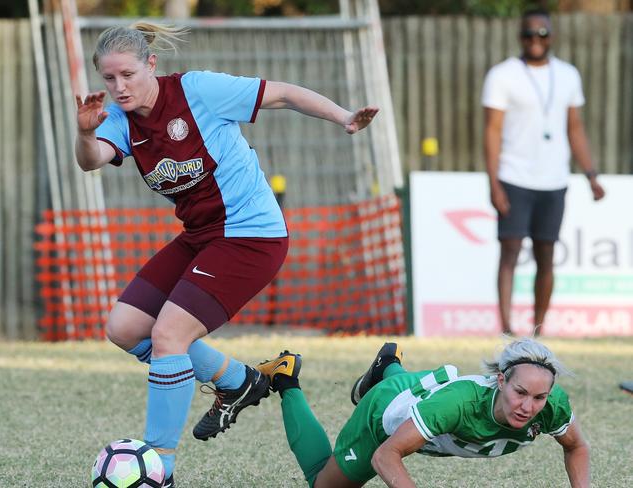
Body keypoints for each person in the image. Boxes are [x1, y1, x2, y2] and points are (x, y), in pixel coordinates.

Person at [75, 22, 378, 486]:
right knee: (124, 327)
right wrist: (82, 133)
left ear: (151, 65)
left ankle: (160, 468)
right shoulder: (119, 117)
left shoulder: (198, 90)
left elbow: (282, 94)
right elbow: (92, 159)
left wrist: (343, 117)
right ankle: (238, 380)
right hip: (202, 235)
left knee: (168, 337)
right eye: (109, 78)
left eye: (128, 75)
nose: (119, 87)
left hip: (252, 236)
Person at [257, 339, 590, 487]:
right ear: (501, 380)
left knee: (419, 401)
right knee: (324, 485)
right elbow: (386, 456)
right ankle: (286, 378)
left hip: (424, 397)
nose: (528, 407)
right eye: (520, 393)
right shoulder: (459, 404)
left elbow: (577, 446)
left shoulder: (552, 403)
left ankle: (388, 365)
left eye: (538, 397)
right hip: (386, 415)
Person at [482, 8, 605, 336]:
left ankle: (538, 330)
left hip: (554, 179)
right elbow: (491, 130)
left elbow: (575, 128)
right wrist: (493, 182)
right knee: (509, 250)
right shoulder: (502, 75)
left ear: (551, 36)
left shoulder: (568, 75)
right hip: (514, 175)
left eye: (542, 34)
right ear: (519, 37)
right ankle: (506, 330)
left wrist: (591, 174)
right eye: (528, 34)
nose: (535, 40)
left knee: (546, 254)